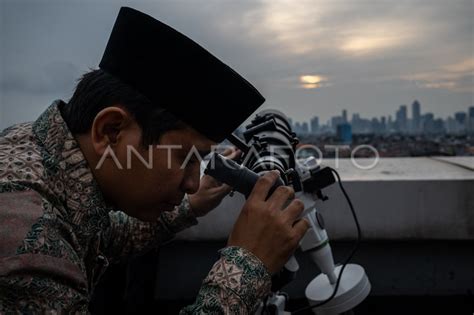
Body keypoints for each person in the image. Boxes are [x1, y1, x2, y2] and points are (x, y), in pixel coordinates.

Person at [0, 7, 309, 313]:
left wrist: (193, 206)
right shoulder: (27, 249)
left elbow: (104, 232)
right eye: (185, 158)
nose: (192, 183)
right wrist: (245, 266)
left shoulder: (38, 151)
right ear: (110, 131)